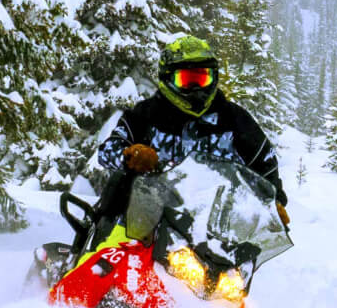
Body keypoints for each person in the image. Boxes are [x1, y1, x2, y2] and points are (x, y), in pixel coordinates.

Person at [92, 34, 286, 230]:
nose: (196, 90)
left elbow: (266, 165)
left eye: (202, 79)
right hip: (144, 222)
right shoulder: (145, 114)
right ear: (167, 78)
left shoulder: (234, 119)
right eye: (186, 80)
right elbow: (108, 150)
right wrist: (130, 156)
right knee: (107, 239)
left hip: (213, 229)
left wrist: (273, 203)